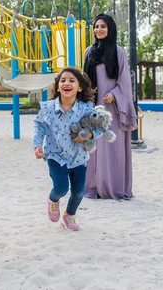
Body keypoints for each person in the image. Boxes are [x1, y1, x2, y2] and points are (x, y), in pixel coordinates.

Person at [32, 67, 101, 231]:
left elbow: (101, 128)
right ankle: (53, 200)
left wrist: (89, 135)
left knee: (78, 192)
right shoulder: (49, 108)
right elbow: (39, 125)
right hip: (55, 156)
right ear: (57, 87)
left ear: (80, 87)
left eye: (72, 80)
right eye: (63, 80)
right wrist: (37, 145)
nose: (66, 83)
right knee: (61, 188)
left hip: (79, 157)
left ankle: (69, 215)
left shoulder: (86, 109)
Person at [83, 13, 137, 200]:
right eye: (96, 26)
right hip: (93, 108)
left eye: (103, 26)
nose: (99, 29)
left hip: (113, 108)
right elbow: (85, 79)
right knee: (94, 147)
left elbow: (124, 82)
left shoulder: (118, 52)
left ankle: (112, 186)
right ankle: (94, 186)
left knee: (110, 147)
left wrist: (114, 95)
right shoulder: (89, 51)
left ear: (110, 29)